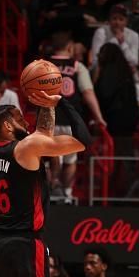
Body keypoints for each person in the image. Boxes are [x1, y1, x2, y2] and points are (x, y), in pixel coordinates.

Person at [0, 85, 91, 277]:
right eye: (19, 119)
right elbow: (83, 141)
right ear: (8, 126)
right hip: (23, 244)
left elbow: (42, 134)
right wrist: (62, 102)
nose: (25, 122)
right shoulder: (25, 148)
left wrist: (46, 106)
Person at [48, 30, 105, 198]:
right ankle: (66, 193)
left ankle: (51, 189)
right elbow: (88, 93)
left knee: (50, 156)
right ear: (69, 47)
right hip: (70, 120)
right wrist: (99, 117)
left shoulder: (42, 65)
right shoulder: (77, 66)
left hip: (47, 119)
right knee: (70, 160)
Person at [90, 4, 139, 69]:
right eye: (114, 18)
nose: (117, 22)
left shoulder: (134, 35)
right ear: (109, 20)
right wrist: (115, 40)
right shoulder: (101, 32)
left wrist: (122, 43)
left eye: (121, 19)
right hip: (105, 69)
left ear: (126, 22)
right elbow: (96, 61)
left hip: (124, 70)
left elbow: (134, 61)